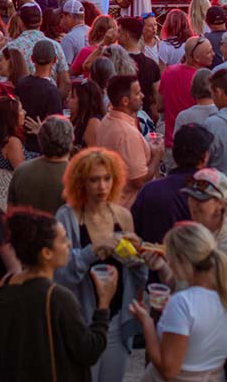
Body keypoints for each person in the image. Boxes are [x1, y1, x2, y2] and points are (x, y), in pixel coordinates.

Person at [0, 207, 114, 382]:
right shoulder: (58, 298)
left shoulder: (3, 291)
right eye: (63, 239)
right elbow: (89, 351)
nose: (69, 244)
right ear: (46, 253)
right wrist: (103, 304)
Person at [54, 148, 151, 382]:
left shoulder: (122, 216)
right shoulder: (66, 217)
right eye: (94, 180)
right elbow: (59, 274)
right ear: (80, 182)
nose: (102, 187)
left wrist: (139, 257)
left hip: (116, 320)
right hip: (81, 321)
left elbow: (137, 276)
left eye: (107, 178)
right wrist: (93, 250)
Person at [128, 221, 227, 382]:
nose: (169, 262)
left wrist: (146, 322)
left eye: (170, 257)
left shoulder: (183, 302)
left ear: (182, 259)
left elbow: (169, 371)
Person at [95, 75, 163, 206]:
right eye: (137, 93)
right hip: (128, 209)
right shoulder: (126, 134)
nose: (142, 95)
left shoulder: (108, 120)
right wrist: (157, 156)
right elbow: (139, 181)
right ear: (125, 101)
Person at [8, 116, 73, 215]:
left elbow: (10, 211)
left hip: (24, 229)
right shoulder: (77, 177)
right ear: (71, 140)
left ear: (40, 140)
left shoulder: (21, 171)